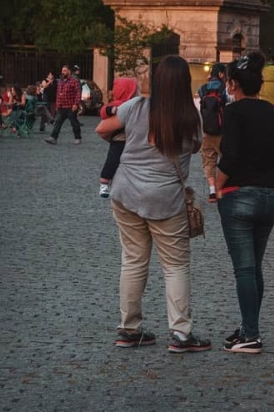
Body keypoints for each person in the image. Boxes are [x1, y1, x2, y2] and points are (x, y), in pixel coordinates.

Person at [96, 55, 210, 353]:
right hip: (165, 200)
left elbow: (102, 129)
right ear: (186, 83)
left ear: (156, 81)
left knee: (133, 261)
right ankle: (181, 334)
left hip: (126, 192)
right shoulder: (191, 118)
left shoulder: (135, 107)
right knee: (175, 266)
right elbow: (197, 146)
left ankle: (129, 330)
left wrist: (126, 138)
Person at [215, 52, 274, 354]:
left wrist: (216, 185)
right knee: (254, 267)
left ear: (232, 84)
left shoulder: (233, 113)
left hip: (238, 195)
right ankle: (247, 328)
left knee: (244, 269)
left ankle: (251, 335)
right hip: (269, 196)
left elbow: (229, 156)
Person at [98, 77, 139, 198]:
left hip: (131, 139)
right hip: (119, 139)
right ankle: (104, 182)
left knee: (130, 164)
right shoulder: (117, 104)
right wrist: (113, 110)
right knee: (112, 160)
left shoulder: (135, 104)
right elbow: (104, 111)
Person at [198, 63, 228, 203]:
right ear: (221, 74)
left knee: (209, 161)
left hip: (207, 132)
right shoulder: (224, 89)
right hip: (223, 131)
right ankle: (222, 188)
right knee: (226, 159)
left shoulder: (202, 89)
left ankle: (211, 191)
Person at [45, 64, 82, 145]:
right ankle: (53, 137)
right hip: (62, 106)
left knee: (74, 122)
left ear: (69, 71)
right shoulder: (61, 81)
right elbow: (58, 93)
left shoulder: (74, 81)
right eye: (62, 71)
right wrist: (58, 105)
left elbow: (78, 93)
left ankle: (77, 137)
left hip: (70, 106)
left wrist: (76, 104)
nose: (63, 72)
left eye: (65, 71)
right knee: (58, 122)